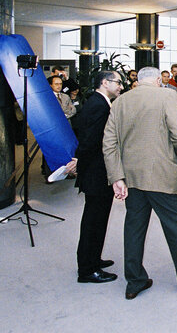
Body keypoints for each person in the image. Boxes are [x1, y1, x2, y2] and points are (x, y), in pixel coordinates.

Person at [103, 67, 177, 299]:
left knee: (134, 228)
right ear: (156, 80)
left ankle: (134, 282)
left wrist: (116, 177)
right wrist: (176, 155)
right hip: (161, 174)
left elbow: (109, 142)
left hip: (131, 176)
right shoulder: (167, 96)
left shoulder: (120, 101)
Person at [74, 70, 123, 284]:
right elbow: (91, 142)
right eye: (118, 82)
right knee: (94, 221)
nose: (121, 86)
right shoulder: (98, 106)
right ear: (105, 82)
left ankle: (93, 258)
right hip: (96, 172)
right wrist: (78, 162)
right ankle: (87, 269)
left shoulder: (99, 102)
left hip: (97, 171)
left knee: (97, 220)